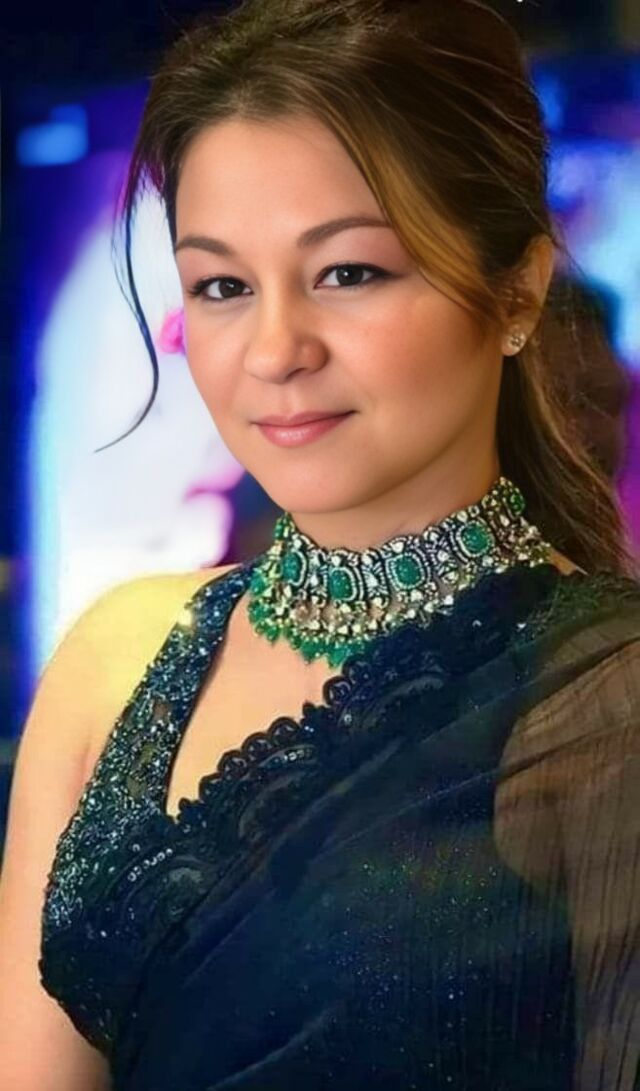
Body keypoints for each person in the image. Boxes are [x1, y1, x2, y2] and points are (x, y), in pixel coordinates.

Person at [1, 0, 639, 1087]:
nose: (275, 349)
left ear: (518, 290)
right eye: (222, 286)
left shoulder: (607, 698)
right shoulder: (116, 656)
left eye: (349, 271)